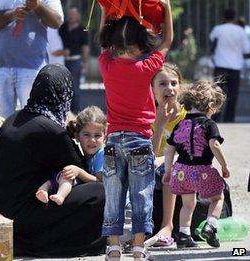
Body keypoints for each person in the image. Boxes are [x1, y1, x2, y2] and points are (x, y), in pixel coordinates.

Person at [0, 64, 106, 257]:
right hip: (20, 222)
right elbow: (77, 171)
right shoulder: (50, 130)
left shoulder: (13, 118)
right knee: (98, 192)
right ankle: (48, 244)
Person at [97, 0, 173, 259]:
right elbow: (167, 42)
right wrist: (167, 7)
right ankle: (139, 249)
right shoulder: (146, 67)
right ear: (141, 44)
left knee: (113, 196)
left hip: (112, 140)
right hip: (140, 140)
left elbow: (103, 42)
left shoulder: (106, 65)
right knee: (141, 196)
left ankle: (114, 248)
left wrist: (106, 11)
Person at [162, 80, 230, 248]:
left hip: (181, 172)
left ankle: (184, 235)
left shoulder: (180, 124)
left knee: (187, 204)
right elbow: (214, 145)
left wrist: (168, 171)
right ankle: (210, 225)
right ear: (211, 106)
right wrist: (224, 165)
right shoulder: (209, 124)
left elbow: (169, 149)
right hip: (202, 171)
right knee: (217, 197)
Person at [0, 0, 64, 118]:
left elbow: (57, 21)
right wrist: (11, 15)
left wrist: (38, 6)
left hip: (33, 68)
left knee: (33, 120)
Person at [147, 63, 187, 247]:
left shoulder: (187, 117)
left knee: (169, 165)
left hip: (177, 171)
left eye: (173, 83)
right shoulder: (146, 116)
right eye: (162, 84)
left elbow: (190, 153)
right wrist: (160, 123)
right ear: (152, 89)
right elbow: (150, 154)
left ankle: (167, 226)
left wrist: (163, 159)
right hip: (150, 169)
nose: (169, 88)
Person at [35, 106, 105, 205]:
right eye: (86, 135)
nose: (92, 140)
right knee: (63, 175)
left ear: (105, 137)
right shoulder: (85, 156)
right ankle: (44, 191)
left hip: (115, 206)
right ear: (77, 136)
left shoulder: (102, 155)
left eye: (97, 135)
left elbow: (100, 183)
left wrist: (79, 172)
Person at [209, 8, 250, 122]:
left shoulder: (218, 29)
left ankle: (216, 118)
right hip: (235, 67)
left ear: (223, 17)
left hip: (220, 66)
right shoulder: (240, 31)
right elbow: (246, 49)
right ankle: (229, 119)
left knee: (217, 93)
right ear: (234, 17)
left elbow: (213, 42)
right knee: (233, 95)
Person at [57, 6, 90, 113]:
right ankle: (63, 111)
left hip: (75, 61)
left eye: (73, 14)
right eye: (70, 14)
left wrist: (84, 63)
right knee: (61, 87)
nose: (71, 16)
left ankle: (75, 113)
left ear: (78, 16)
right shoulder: (62, 27)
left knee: (74, 88)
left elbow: (85, 47)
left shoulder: (82, 29)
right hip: (61, 60)